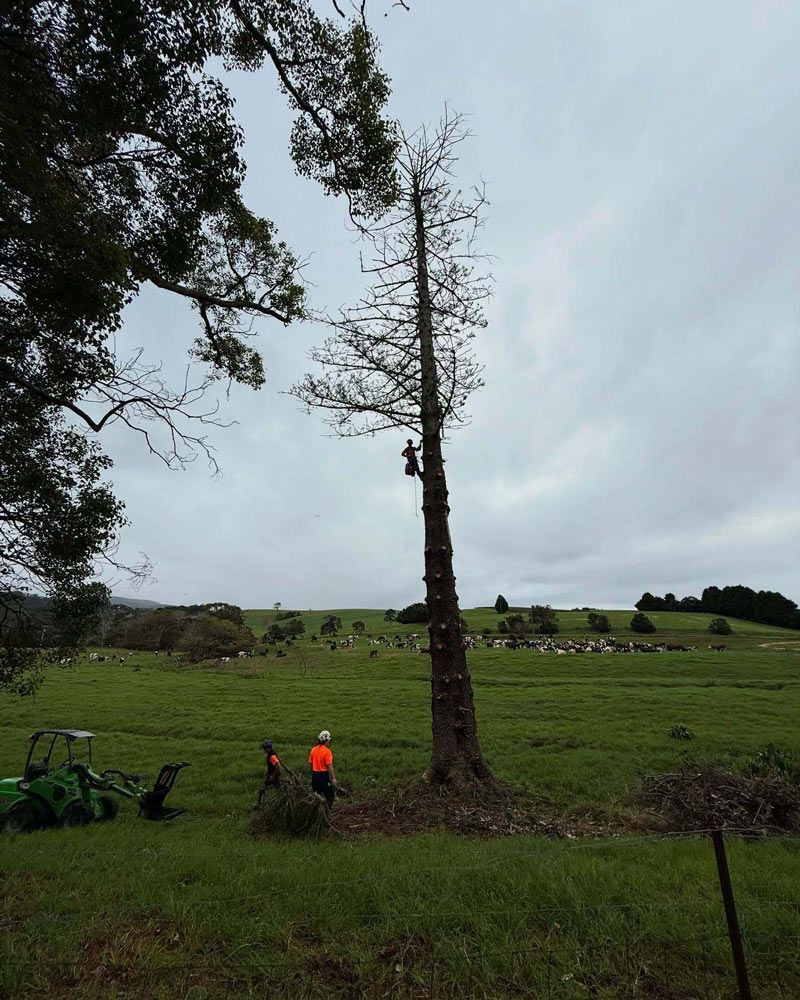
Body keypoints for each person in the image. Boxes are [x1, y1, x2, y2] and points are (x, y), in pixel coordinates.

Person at [308, 730, 337, 808]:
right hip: (324, 776)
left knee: (317, 796)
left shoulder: (313, 750)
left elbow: (310, 763)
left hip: (315, 776)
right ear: (326, 741)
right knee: (330, 796)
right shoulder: (327, 752)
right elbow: (329, 766)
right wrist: (333, 778)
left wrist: (313, 773)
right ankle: (326, 812)